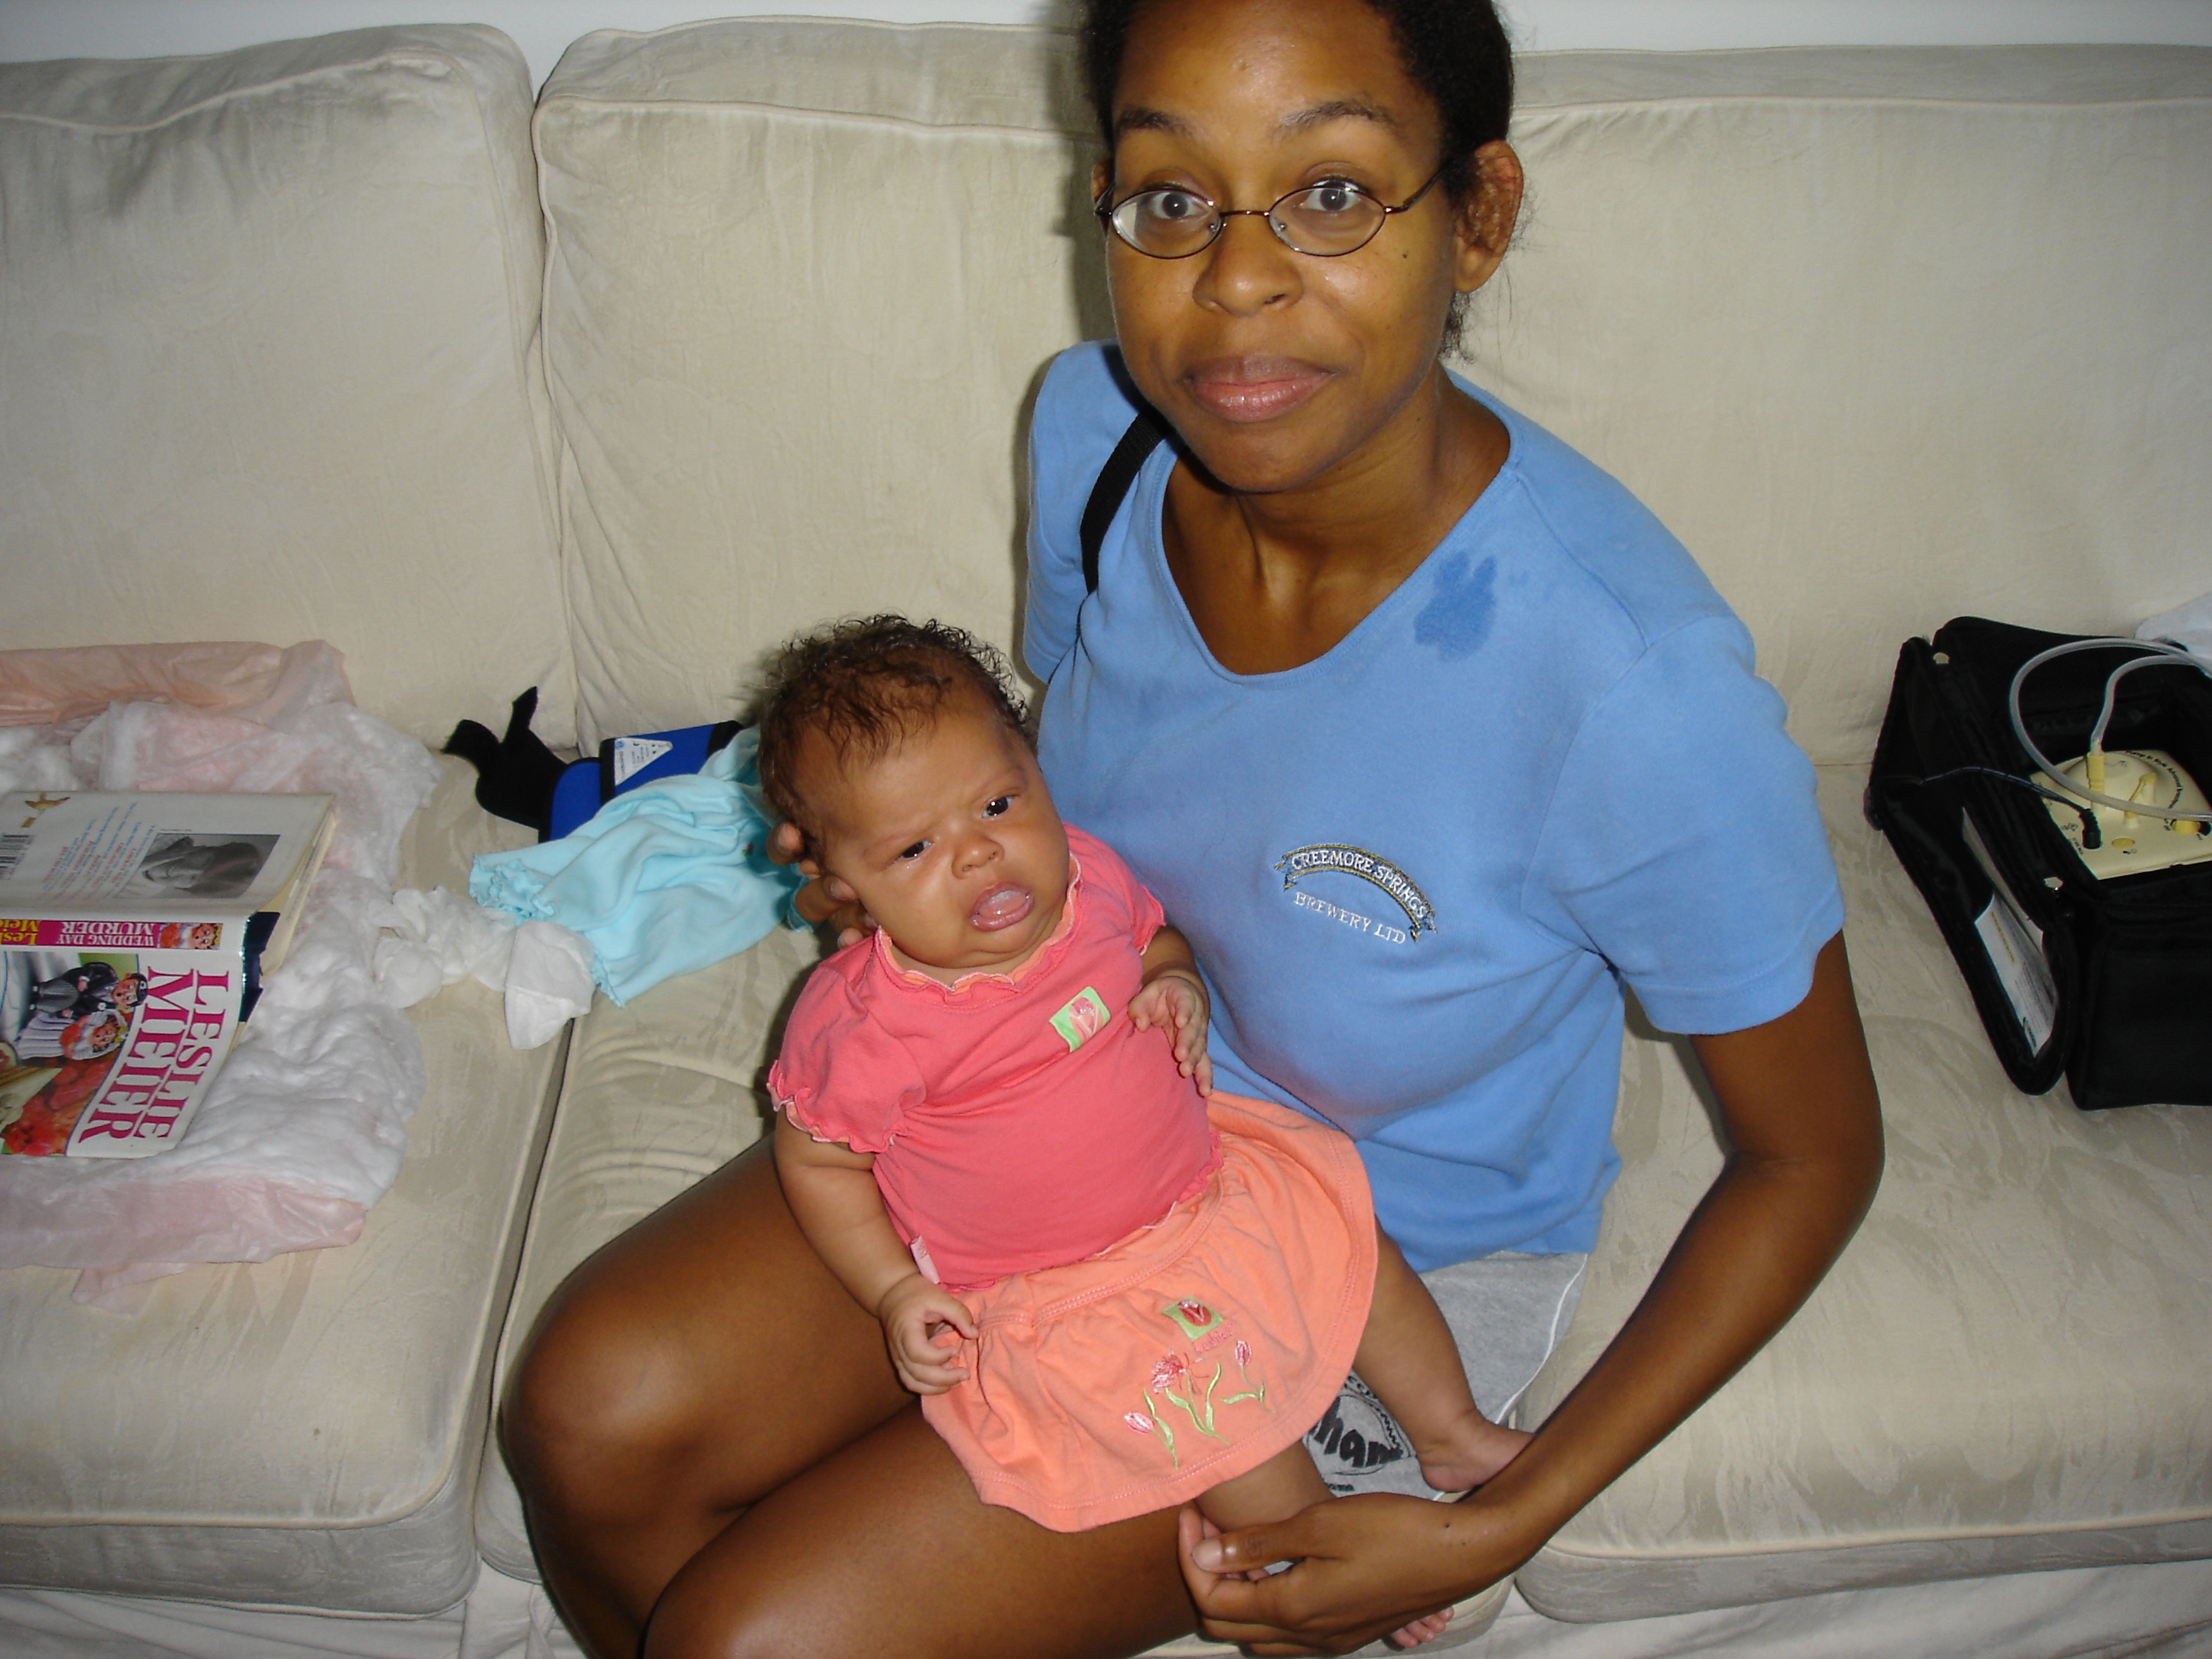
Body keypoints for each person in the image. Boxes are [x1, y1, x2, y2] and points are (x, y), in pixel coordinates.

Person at [499, 0, 1884, 1654]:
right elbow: (1071, 769)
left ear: (1478, 215)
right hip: (1044, 1091)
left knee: (752, 1638)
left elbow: (1814, 1156)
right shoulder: (1100, 433)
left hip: (1358, 1254)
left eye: (1331, 193)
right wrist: (912, 864)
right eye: (1171, 198)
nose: (1233, 282)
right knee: (583, 1407)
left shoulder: (1630, 689)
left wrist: (1503, 1515)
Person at [752, 615, 1528, 1645]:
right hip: (1077, 1295)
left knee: (1354, 1249)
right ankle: (1327, 1567)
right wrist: (893, 1288)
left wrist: (1175, 983)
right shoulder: (863, 1028)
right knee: (1231, 1441)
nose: (979, 853)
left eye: (997, 802)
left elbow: (1156, 938)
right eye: (915, 848)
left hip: (1204, 1191)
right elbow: (817, 1161)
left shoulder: (1088, 878)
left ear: (1035, 769)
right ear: (842, 886)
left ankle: (1453, 1432)